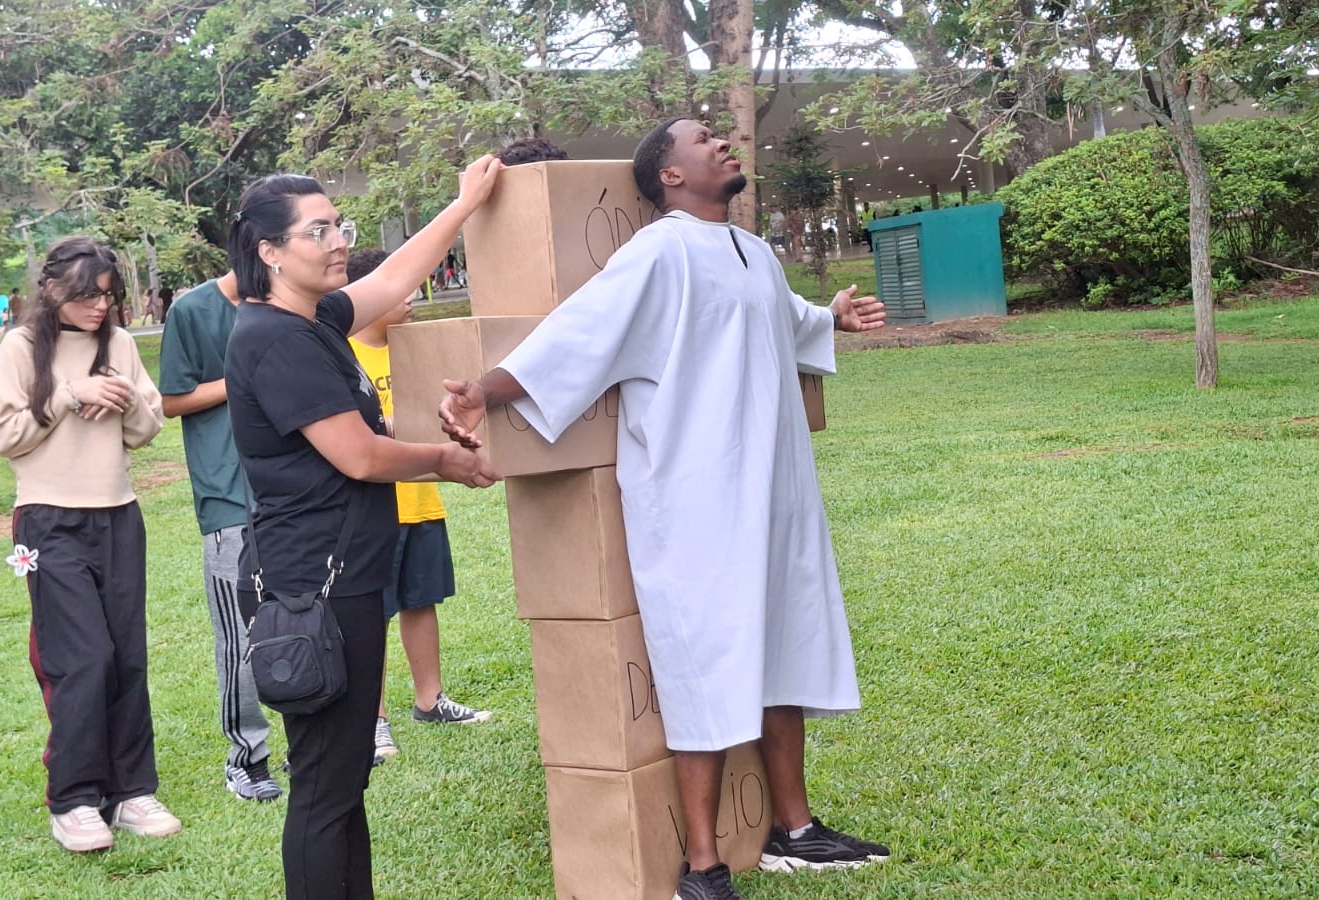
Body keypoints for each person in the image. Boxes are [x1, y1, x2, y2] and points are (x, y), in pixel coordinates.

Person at [439, 118, 891, 900]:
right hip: (696, 499)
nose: (722, 143)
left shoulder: (753, 250)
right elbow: (579, 335)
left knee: (785, 643)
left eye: (721, 135)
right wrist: (482, 391)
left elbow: (781, 319)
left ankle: (795, 830)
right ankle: (703, 867)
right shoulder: (659, 251)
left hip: (776, 492)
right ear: (671, 175)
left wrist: (833, 319)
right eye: (703, 138)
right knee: (706, 666)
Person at [224, 160, 501, 900]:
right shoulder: (274, 339)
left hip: (339, 577)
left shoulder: (313, 320)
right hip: (312, 587)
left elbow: (395, 277)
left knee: (343, 778)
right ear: (270, 251)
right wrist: (444, 459)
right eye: (316, 232)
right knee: (325, 784)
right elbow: (360, 455)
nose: (337, 241)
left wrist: (464, 204)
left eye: (337, 225)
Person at [0, 236, 178, 854]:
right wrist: (71, 395)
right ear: (51, 289)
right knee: (83, 657)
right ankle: (73, 798)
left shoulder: (118, 344)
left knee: (127, 656)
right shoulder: (21, 347)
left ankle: (132, 791)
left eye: (107, 295)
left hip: (118, 514)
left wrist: (122, 397)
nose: (99, 306)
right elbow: (5, 435)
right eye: (86, 295)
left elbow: (146, 427)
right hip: (47, 520)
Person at [342, 248, 491, 769]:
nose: (410, 297)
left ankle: (431, 700)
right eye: (398, 287)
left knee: (421, 601)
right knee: (372, 613)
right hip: (374, 507)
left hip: (421, 500)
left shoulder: (415, 352)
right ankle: (373, 718)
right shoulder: (341, 355)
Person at [158, 269, 282, 801]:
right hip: (228, 498)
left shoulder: (291, 302)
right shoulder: (192, 311)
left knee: (306, 619)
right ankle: (247, 758)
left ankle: (311, 742)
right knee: (241, 636)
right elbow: (172, 399)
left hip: (291, 491)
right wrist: (243, 377)